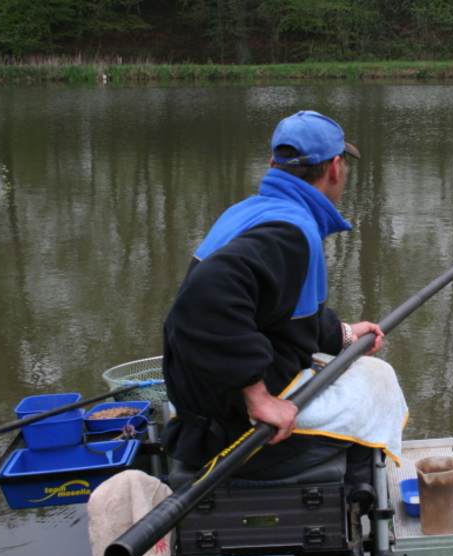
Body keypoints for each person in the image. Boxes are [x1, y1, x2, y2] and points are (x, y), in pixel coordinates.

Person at [161, 110, 384, 480]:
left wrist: (342, 334)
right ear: (334, 168)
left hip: (204, 405)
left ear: (273, 164)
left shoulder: (249, 212)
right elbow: (206, 298)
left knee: (364, 375)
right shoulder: (291, 231)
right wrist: (258, 396)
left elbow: (276, 312)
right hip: (231, 428)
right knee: (377, 397)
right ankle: (364, 513)